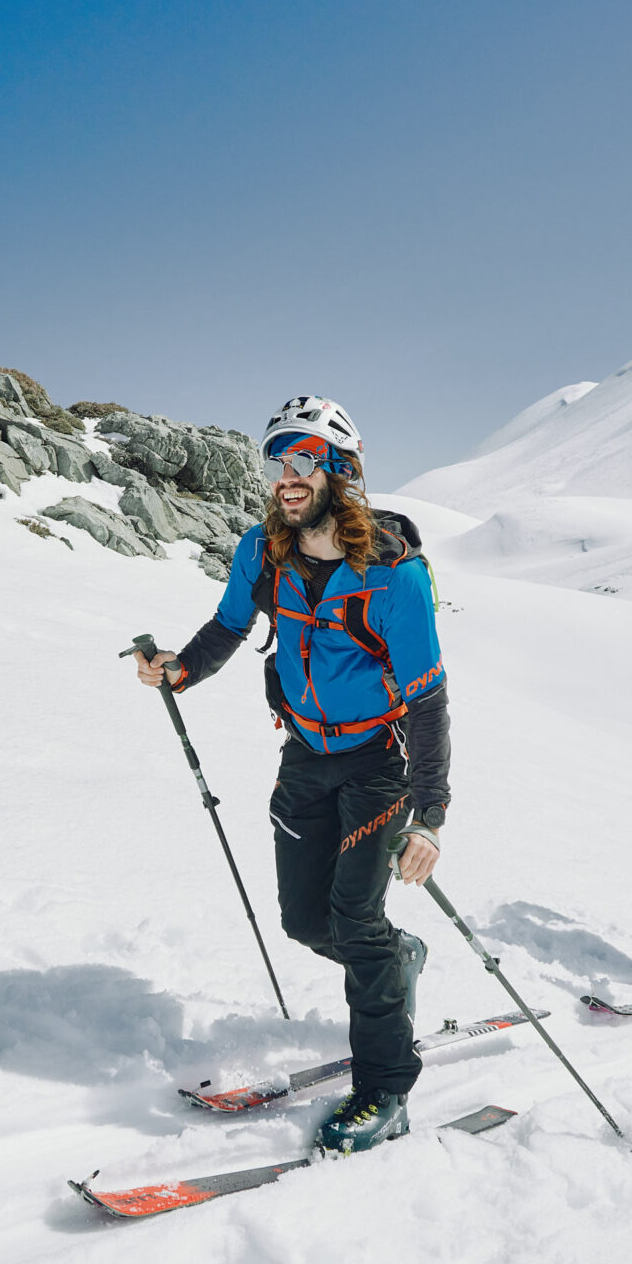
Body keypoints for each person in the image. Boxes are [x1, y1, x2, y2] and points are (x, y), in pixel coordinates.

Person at [133, 396, 450, 1153]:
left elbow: (428, 699)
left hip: (377, 763)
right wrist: (181, 669)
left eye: (304, 458)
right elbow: (228, 626)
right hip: (305, 754)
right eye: (279, 460)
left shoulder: (394, 575)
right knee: (304, 920)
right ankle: (394, 959)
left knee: (355, 919)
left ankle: (386, 1091)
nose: (287, 475)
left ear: (342, 471)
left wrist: (430, 817)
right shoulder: (263, 550)